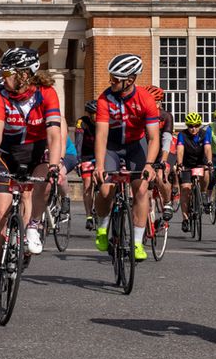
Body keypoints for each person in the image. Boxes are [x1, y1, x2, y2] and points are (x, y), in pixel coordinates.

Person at [0, 46, 62, 302]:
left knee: (45, 182)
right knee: (1, 213)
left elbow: (54, 134)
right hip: (7, 155)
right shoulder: (0, 97)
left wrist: (56, 165)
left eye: (9, 73)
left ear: (26, 74)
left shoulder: (47, 94)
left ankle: (34, 225)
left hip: (36, 154)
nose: (4, 78)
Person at [92, 54, 159, 263]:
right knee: (105, 189)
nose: (111, 82)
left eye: (115, 79)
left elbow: (154, 136)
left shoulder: (145, 99)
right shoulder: (105, 98)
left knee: (141, 190)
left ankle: (137, 242)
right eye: (111, 77)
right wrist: (100, 166)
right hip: (111, 145)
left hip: (135, 145)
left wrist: (149, 164)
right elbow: (101, 134)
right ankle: (103, 228)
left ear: (129, 80)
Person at [176, 112, 213, 230]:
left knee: (206, 172)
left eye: (196, 126)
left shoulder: (204, 134)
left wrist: (210, 161)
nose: (193, 129)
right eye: (191, 126)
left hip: (200, 163)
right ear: (187, 126)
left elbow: (207, 148)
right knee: (185, 189)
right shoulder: (182, 135)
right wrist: (180, 164)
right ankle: (185, 218)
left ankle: (202, 192)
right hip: (186, 164)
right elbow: (180, 150)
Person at [145, 85, 175, 221]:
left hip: (165, 151)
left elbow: (167, 139)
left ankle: (168, 202)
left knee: (160, 176)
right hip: (147, 151)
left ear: (158, 103)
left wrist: (163, 160)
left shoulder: (165, 116)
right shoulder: (143, 115)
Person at [74, 100, 97, 228]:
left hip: (101, 155)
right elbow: (78, 142)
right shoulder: (81, 122)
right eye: (93, 113)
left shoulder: (104, 121)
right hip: (86, 155)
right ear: (89, 114)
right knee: (87, 185)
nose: (96, 116)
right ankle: (89, 215)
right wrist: (78, 161)